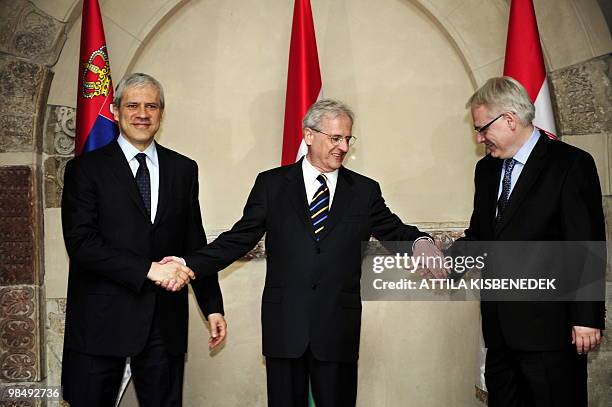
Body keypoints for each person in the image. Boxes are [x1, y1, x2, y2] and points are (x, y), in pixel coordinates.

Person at [162, 99, 447, 407]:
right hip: (286, 325)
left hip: (338, 327)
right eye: (335, 138)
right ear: (309, 136)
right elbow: (239, 239)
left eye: (348, 139)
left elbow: (394, 230)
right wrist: (190, 263)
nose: (343, 146)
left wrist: (420, 242)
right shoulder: (272, 185)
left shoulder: (364, 191)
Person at [61, 72, 227, 407]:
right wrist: (148, 269)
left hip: (163, 322)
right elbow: (81, 243)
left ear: (161, 114)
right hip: (100, 320)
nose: (142, 113)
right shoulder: (85, 169)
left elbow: (192, 242)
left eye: (151, 106)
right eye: (133, 105)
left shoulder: (183, 169)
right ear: (115, 110)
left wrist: (211, 306)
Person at [459, 76, 605, 406]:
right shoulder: (486, 170)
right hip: (499, 333)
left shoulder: (570, 164)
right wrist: (442, 261)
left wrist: (587, 317)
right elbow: (481, 237)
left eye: (483, 128)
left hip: (551, 332)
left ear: (510, 119)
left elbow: (586, 245)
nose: (480, 137)